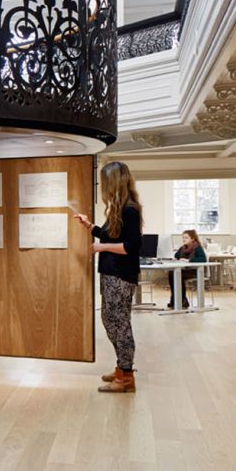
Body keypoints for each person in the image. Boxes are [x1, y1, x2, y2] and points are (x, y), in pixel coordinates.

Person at [75, 161, 143, 394]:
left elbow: (131, 246)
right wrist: (90, 226)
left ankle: (126, 377)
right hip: (112, 274)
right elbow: (110, 235)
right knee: (110, 320)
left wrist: (101, 247)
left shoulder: (129, 209)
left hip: (121, 275)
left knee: (119, 324)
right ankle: (122, 369)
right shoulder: (120, 209)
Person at [167, 229, 207, 310]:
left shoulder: (197, 247)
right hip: (184, 270)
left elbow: (203, 259)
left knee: (178, 275)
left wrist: (190, 260)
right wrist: (177, 255)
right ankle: (177, 299)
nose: (184, 239)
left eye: (186, 238)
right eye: (183, 238)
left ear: (192, 239)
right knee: (171, 273)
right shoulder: (183, 248)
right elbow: (176, 255)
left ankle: (181, 300)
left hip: (193, 271)